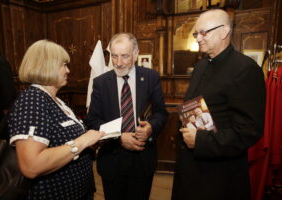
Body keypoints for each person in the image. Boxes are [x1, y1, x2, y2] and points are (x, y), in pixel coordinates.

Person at [172, 9, 266, 200]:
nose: (198, 38)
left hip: (219, 177)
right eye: (196, 33)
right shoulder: (200, 66)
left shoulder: (246, 69)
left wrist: (200, 141)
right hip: (189, 170)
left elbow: (249, 131)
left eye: (203, 32)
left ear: (224, 32)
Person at [8, 40, 104, 200]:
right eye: (63, 65)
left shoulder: (55, 100)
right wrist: (82, 142)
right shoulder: (32, 100)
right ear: (47, 66)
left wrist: (91, 142)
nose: (68, 70)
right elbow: (31, 166)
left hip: (79, 192)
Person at [86, 32, 168, 200]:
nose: (118, 62)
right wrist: (119, 138)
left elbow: (161, 113)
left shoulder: (151, 77)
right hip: (112, 160)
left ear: (136, 54)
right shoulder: (101, 83)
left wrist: (151, 128)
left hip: (143, 159)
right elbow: (93, 120)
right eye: (114, 56)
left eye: (124, 56)